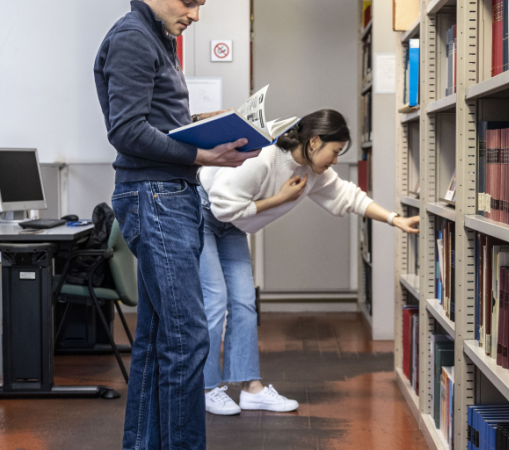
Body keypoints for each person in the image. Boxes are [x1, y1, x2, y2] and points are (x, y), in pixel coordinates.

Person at [93, 1, 260, 448]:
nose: (196, 14)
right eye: (189, 1)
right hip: (156, 196)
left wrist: (203, 128)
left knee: (155, 339)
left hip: (167, 194)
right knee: (186, 340)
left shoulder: (157, 38)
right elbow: (126, 130)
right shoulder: (132, 37)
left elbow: (153, 123)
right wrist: (202, 154)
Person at [197, 109, 420, 415]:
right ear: (315, 142)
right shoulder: (264, 158)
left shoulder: (314, 173)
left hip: (233, 222)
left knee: (245, 301)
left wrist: (395, 219)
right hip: (204, 214)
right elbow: (223, 207)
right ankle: (206, 388)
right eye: (335, 151)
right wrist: (279, 200)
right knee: (215, 300)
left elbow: (349, 196)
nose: (336, 160)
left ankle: (251, 388)